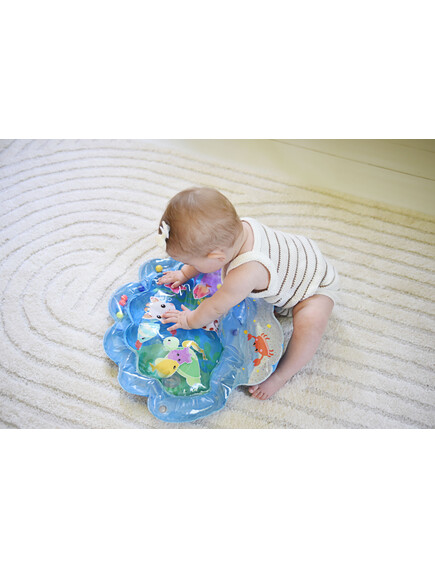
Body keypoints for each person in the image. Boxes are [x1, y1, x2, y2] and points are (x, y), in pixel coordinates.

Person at [157, 187, 339, 400]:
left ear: (217, 257)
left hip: (315, 288)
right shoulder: (237, 230)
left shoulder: (245, 273)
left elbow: (215, 306)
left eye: (190, 263)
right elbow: (206, 257)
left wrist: (189, 320)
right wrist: (185, 273)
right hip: (298, 258)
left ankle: (282, 375)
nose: (189, 266)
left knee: (310, 326)